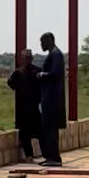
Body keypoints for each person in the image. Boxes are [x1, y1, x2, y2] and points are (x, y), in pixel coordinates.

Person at [6, 49, 42, 161]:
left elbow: (10, 83)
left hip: (24, 107)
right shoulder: (37, 71)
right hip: (34, 106)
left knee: (26, 132)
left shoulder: (19, 73)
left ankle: (29, 155)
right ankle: (43, 154)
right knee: (39, 131)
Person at [37, 31, 66, 167]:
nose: (41, 45)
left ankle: (54, 158)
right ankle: (51, 157)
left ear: (49, 41)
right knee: (48, 128)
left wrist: (42, 75)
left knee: (50, 128)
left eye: (42, 42)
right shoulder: (53, 54)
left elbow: (56, 73)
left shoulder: (56, 54)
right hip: (49, 97)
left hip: (52, 98)